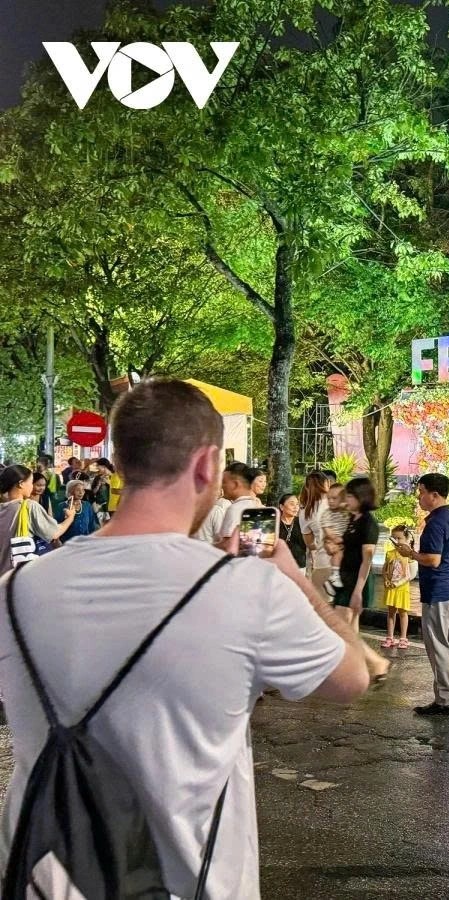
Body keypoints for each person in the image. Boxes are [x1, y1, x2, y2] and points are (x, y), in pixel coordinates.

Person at [0, 379, 388, 897]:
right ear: (207, 465)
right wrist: (296, 582)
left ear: (119, 461)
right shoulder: (248, 589)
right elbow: (353, 676)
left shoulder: (14, 592)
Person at [395, 472, 449, 716]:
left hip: (438, 592)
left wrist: (410, 553)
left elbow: (433, 560)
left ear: (434, 495)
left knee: (438, 647)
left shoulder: (436, 523)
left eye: (421, 492)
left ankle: (445, 699)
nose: (419, 497)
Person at [0, 465, 75, 575]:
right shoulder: (29, 507)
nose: (32, 486)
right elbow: (54, 533)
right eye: (31, 482)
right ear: (21, 484)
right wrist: (70, 517)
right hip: (18, 575)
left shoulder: (2, 508)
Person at [334, 478, 379, 634]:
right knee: (349, 624)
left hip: (357, 577)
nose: (346, 500)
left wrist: (358, 591)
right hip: (345, 575)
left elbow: (367, 560)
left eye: (350, 496)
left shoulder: (368, 523)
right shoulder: (352, 518)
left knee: (343, 622)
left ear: (361, 497)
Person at [383, 525, 415, 649]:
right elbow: (385, 569)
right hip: (391, 589)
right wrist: (386, 580)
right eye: (393, 538)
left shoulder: (410, 556)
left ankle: (403, 638)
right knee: (391, 612)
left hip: (402, 589)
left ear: (407, 539)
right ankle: (390, 637)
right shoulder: (389, 553)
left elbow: (410, 575)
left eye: (399, 538)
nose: (396, 541)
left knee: (403, 613)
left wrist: (397, 583)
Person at [299, 470, 332, 591]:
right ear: (327, 483)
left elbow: (310, 544)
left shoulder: (305, 512)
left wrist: (320, 544)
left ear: (307, 488)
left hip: (323, 563)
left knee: (323, 601)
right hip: (346, 563)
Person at [216, 462, 262, 543]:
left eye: (224, 482)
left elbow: (227, 544)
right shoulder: (259, 506)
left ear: (235, 484)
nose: (221, 486)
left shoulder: (235, 509)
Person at [320, 483, 351, 597]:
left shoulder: (346, 511)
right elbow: (326, 529)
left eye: (334, 498)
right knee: (338, 554)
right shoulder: (327, 513)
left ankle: (332, 583)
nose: (330, 501)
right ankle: (334, 575)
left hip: (344, 540)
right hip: (335, 540)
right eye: (328, 498)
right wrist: (335, 538)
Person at [278, 493, 308, 569]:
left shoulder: (302, 522)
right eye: (292, 504)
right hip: (279, 566)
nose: (296, 507)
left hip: (300, 566)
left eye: (297, 504)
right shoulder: (275, 524)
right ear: (282, 507)